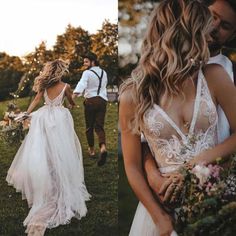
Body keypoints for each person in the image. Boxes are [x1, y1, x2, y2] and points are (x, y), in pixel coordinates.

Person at [119, 1, 236, 235]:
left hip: (214, 199)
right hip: (159, 205)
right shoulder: (132, 95)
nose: (211, 33)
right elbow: (131, 165)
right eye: (207, 25)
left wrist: (194, 165)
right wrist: (160, 217)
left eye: (223, 26)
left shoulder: (215, 76)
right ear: (186, 33)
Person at [144, 0, 236, 204]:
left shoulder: (227, 75)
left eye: (225, 26)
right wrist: (153, 176)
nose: (213, 27)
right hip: (166, 191)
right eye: (212, 17)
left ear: (232, 35)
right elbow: (146, 139)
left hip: (220, 191)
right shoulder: (153, 77)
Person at [6, 59, 91, 236]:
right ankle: (59, 177)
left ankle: (49, 176)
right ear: (60, 71)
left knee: (45, 148)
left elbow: (37, 100)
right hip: (60, 119)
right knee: (61, 148)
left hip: (44, 118)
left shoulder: (44, 87)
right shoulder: (66, 87)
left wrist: (27, 114)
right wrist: (74, 105)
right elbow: (70, 103)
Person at [73, 52, 108, 166]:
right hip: (102, 101)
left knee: (89, 127)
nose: (84, 64)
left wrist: (72, 97)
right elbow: (104, 86)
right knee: (99, 126)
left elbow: (81, 85)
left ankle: (92, 150)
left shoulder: (87, 73)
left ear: (93, 62)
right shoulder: (104, 72)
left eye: (86, 62)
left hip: (90, 102)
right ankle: (102, 147)